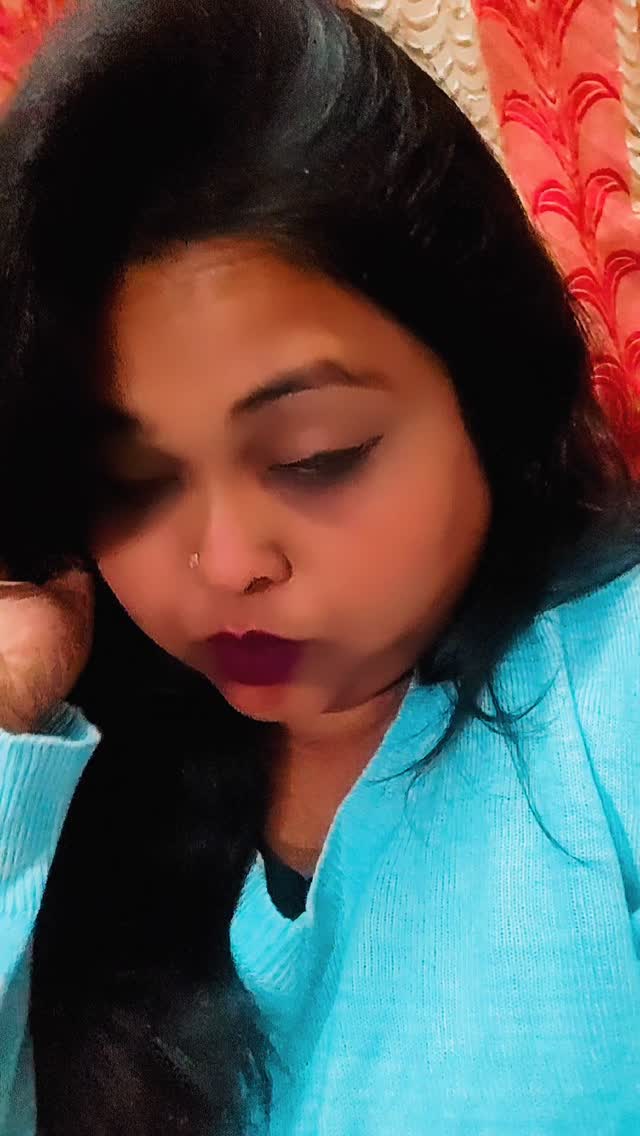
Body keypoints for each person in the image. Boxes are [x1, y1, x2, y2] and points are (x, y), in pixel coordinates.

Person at [1, 0, 639, 1132]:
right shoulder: (69, 773)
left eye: (315, 454)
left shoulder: (614, 698)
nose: (226, 563)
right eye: (131, 480)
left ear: (485, 388)